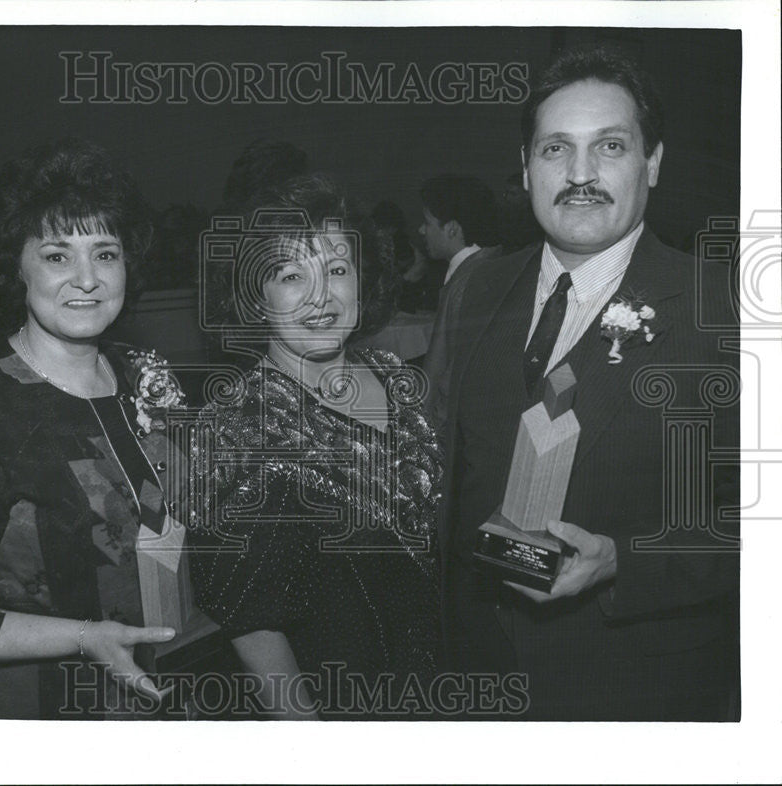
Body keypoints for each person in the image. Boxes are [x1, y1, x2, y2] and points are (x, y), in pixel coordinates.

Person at [432, 47, 739, 720]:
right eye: (554, 150)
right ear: (524, 167)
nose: (580, 175)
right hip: (475, 684)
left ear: (652, 162)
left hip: (635, 695)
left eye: (609, 147)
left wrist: (620, 563)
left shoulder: (727, 309)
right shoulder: (475, 289)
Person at [0, 138, 186, 719]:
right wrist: (83, 636)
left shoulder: (144, 377)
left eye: (105, 254)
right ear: (15, 268)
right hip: (41, 716)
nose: (86, 279)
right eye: (56, 256)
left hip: (162, 700)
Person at [187, 174, 442, 719]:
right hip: (343, 710)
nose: (322, 296)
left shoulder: (396, 377)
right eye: (290, 274)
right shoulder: (236, 429)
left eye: (337, 269)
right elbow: (251, 622)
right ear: (255, 297)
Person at [420, 174, 503, 432]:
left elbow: (450, 373)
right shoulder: (491, 265)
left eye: (427, 222)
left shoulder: (467, 283)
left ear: (452, 229)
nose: (421, 230)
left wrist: (428, 431)